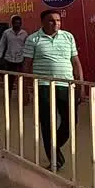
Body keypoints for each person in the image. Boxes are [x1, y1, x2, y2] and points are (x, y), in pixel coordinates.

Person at [22, 9, 82, 171]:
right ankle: (55, 160)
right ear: (42, 23)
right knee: (47, 123)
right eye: (51, 21)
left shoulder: (68, 37)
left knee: (70, 122)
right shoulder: (33, 39)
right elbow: (27, 65)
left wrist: (80, 85)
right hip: (43, 85)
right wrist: (26, 90)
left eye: (58, 21)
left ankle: (54, 147)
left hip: (66, 85)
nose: (55, 24)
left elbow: (75, 63)